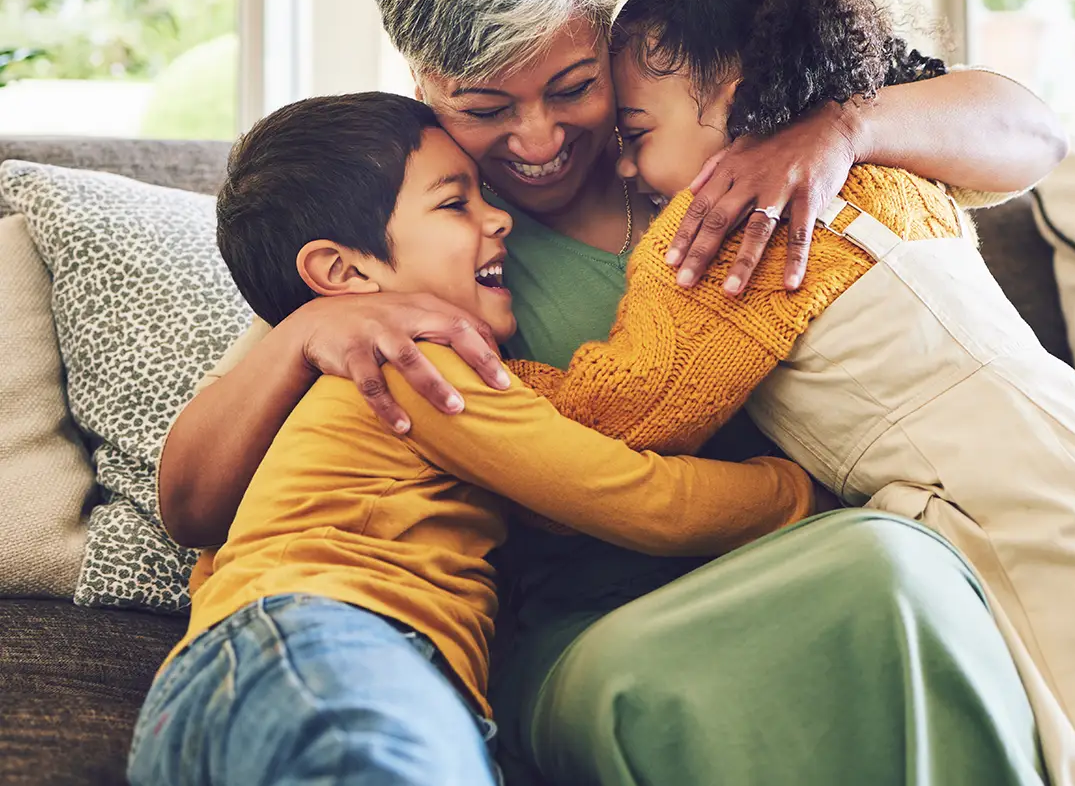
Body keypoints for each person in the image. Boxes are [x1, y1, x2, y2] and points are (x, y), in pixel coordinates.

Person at [157, 0, 1068, 785]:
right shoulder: (407, 238)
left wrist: (840, 132)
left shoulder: (722, 129)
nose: (540, 142)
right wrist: (301, 335)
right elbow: (192, 503)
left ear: (610, 35)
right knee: (888, 572)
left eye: (572, 87)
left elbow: (1033, 135)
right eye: (483, 107)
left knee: (912, 574)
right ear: (423, 86)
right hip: (597, 632)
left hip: (815, 552)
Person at [508, 0, 1075, 786]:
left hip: (1018, 515)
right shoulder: (898, 173)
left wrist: (458, 377)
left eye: (637, 135)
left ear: (738, 98)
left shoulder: (732, 235)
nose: (625, 164)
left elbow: (621, 415)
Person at [128, 92, 821, 786]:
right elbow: (643, 498)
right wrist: (806, 494)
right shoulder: (412, 362)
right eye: (455, 204)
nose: (498, 218)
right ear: (343, 274)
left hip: (237, 686)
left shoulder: (326, 374)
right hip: (326, 648)